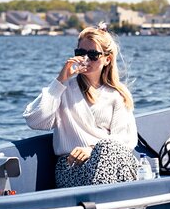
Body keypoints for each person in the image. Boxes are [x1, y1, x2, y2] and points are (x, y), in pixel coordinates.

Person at [23, 24, 139, 188]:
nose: (85, 58)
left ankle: (111, 202)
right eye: (80, 53)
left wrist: (92, 150)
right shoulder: (63, 89)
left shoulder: (117, 94)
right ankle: (110, 203)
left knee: (110, 148)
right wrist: (60, 80)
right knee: (109, 150)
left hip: (108, 161)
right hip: (72, 167)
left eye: (93, 55)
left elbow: (126, 139)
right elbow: (35, 121)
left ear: (107, 59)